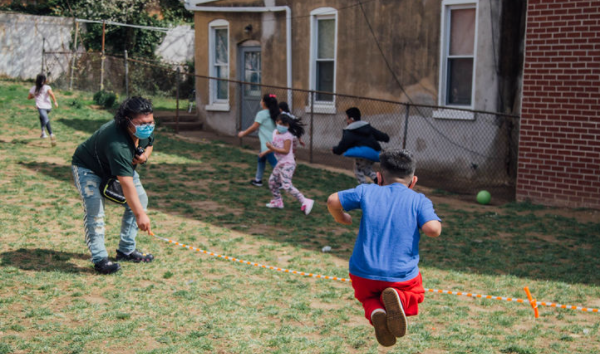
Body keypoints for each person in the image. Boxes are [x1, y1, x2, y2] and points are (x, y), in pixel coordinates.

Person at [326, 149, 442, 347]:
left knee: (367, 297)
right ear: (413, 182)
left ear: (379, 178)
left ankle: (377, 312)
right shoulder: (418, 200)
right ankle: (401, 300)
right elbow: (432, 229)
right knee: (416, 293)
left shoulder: (367, 190)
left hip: (363, 273)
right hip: (400, 276)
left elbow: (332, 200)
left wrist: (342, 217)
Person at [71, 97, 156, 274]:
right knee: (96, 211)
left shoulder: (143, 131)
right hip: (88, 168)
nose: (148, 126)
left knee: (140, 199)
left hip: (115, 166)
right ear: (128, 121)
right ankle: (100, 259)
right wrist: (140, 215)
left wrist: (145, 156)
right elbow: (126, 183)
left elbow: (150, 144)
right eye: (142, 123)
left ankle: (126, 250)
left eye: (151, 122)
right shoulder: (118, 144)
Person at [260, 113, 314, 215]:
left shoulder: (288, 136)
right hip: (280, 163)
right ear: (276, 122)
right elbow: (274, 145)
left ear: (288, 125)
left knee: (286, 185)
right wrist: (265, 152)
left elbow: (285, 151)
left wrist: (271, 149)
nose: (283, 126)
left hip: (288, 164)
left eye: (285, 125)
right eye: (280, 124)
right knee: (272, 182)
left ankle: (305, 201)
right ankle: (278, 201)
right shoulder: (275, 132)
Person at [332, 107, 390, 184]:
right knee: (366, 169)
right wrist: (386, 138)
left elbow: (344, 144)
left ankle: (364, 188)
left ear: (351, 119)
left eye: (347, 119)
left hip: (363, 154)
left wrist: (336, 150)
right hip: (374, 152)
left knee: (358, 171)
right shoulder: (367, 127)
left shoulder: (350, 130)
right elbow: (380, 135)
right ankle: (377, 179)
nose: (347, 121)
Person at [238, 93, 278, 187]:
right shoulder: (276, 113)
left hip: (267, 145)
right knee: (261, 159)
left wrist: (243, 133)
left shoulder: (261, 114)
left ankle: (281, 183)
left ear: (264, 103)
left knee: (275, 164)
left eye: (261, 100)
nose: (260, 102)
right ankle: (258, 180)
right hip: (274, 143)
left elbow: (254, 127)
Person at [28, 73, 58, 146]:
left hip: (41, 107)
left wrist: (35, 95)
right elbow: (51, 94)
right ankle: (43, 132)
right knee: (41, 117)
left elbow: (29, 97)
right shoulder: (47, 87)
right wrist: (55, 102)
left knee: (45, 119)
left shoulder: (34, 88)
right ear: (45, 80)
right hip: (48, 107)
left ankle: (51, 134)